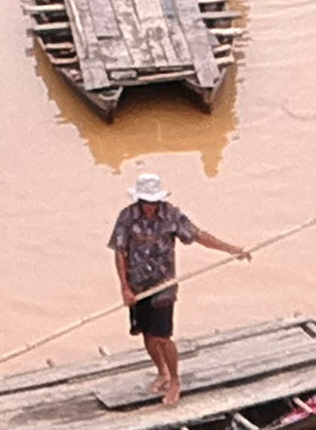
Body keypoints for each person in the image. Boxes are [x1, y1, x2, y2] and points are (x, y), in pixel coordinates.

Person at [106, 171, 248, 409]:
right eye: (146, 202)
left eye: (153, 202)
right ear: (139, 200)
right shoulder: (127, 217)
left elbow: (198, 235)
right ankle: (161, 371)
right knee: (148, 336)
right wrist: (125, 287)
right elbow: (120, 252)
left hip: (163, 285)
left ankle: (175, 380)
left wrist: (231, 249)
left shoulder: (171, 214)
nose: (150, 207)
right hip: (138, 286)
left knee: (162, 337)